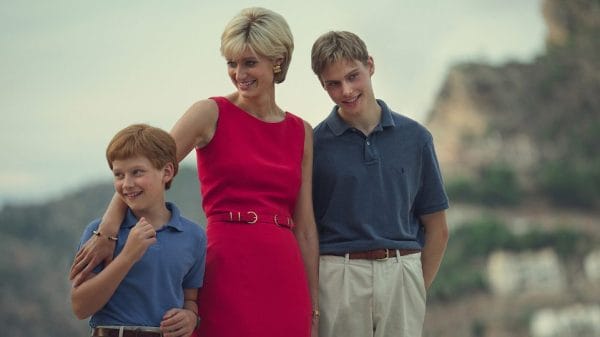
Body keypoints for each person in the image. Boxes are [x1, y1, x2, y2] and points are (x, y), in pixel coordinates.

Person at [69, 7, 319, 337]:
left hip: (284, 272)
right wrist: (108, 231)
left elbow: (305, 227)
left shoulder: (302, 131)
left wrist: (313, 305)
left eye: (249, 62)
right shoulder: (210, 113)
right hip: (226, 264)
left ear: (277, 61)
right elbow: (145, 170)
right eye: (232, 63)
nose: (238, 73)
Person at [310, 31, 450, 337]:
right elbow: (307, 229)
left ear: (370, 65)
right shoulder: (313, 144)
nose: (346, 90)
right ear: (323, 85)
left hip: (402, 271)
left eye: (353, 76)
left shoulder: (416, 138)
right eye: (333, 84)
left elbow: (437, 227)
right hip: (338, 276)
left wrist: (413, 286)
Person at [70, 123, 207, 337]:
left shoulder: (193, 236)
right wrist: (127, 256)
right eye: (119, 175)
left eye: (137, 172)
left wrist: (190, 317)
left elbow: (190, 298)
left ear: (167, 172)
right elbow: (81, 307)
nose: (127, 184)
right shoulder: (100, 234)